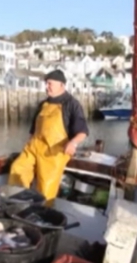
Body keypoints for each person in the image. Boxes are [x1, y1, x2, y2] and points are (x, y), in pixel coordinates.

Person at [8, 69, 89, 207]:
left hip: (54, 153)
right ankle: (18, 205)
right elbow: (33, 131)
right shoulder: (43, 104)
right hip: (33, 148)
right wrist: (28, 144)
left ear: (62, 85)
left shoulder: (72, 104)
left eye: (50, 83)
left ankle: (42, 217)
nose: (47, 87)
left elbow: (83, 131)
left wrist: (73, 143)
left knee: (46, 188)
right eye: (46, 83)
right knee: (17, 168)